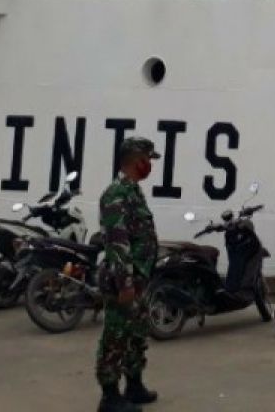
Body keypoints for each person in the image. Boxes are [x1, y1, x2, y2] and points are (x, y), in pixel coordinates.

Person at [96, 136, 161, 412]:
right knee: (116, 335)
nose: (150, 165)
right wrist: (125, 283)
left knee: (136, 333)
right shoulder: (116, 194)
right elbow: (117, 241)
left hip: (139, 280)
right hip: (125, 281)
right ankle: (110, 397)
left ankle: (134, 385)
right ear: (137, 161)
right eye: (148, 159)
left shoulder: (133, 192)